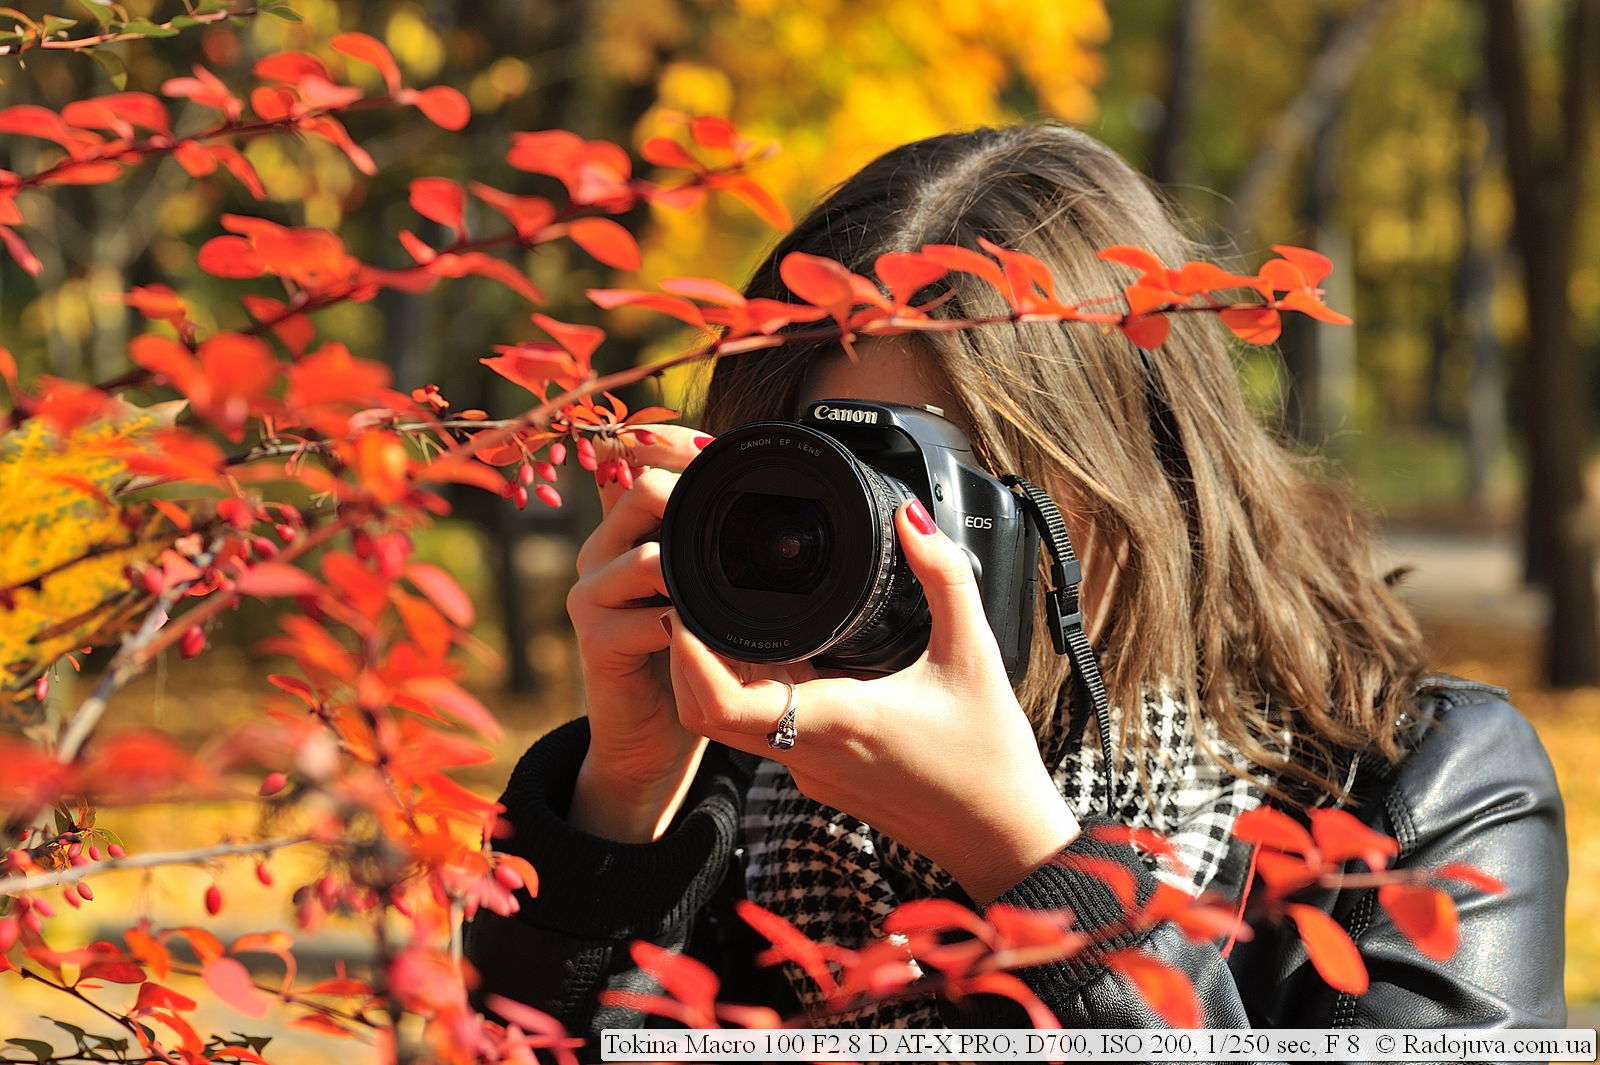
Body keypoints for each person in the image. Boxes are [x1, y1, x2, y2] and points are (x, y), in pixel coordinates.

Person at [465, 124, 1566, 1049]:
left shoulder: (1417, 797)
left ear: (1140, 477)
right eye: (823, 485)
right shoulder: (716, 797)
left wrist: (1036, 871)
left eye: (925, 478)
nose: (878, 541)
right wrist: (617, 810)